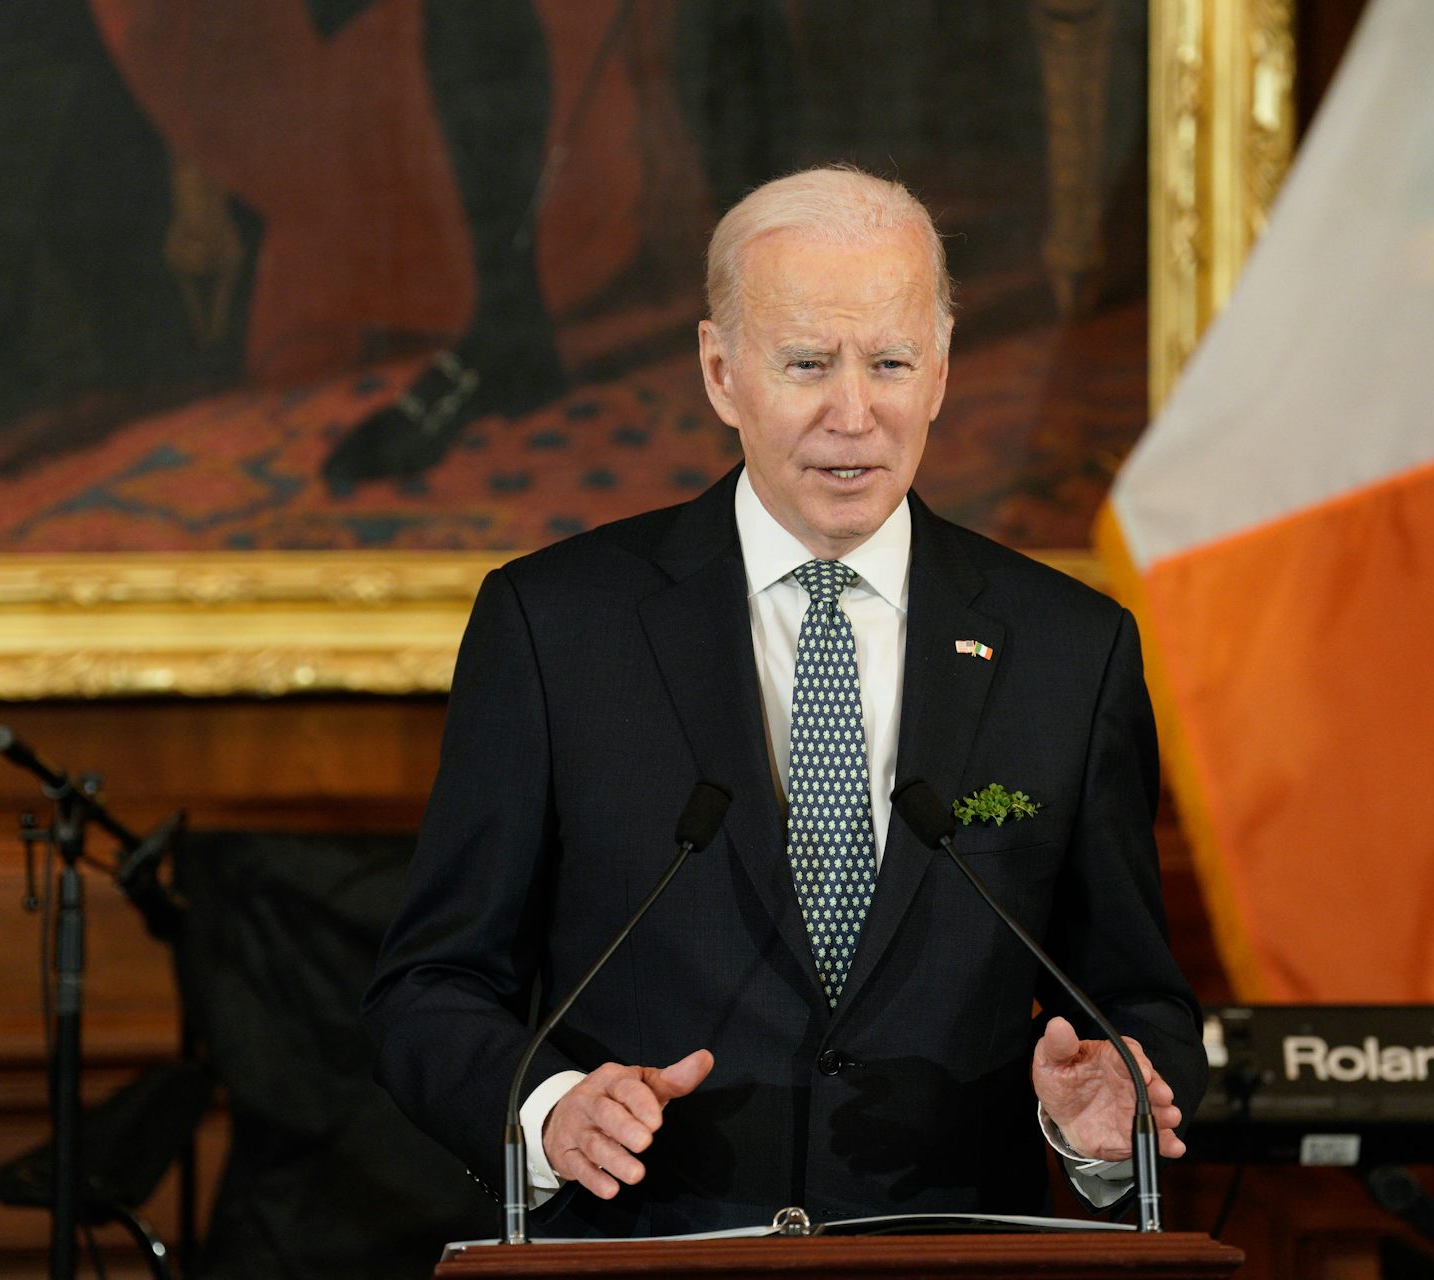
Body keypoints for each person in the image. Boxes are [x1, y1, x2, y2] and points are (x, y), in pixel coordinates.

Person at [362, 166, 1205, 1238]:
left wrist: (1103, 1120)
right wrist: (548, 1111)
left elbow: (1138, 1001)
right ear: (721, 372)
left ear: (942, 370)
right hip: (648, 1250)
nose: (854, 414)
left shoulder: (1068, 650)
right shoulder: (557, 629)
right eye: (807, 363)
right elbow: (430, 987)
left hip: (954, 1258)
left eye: (891, 362)